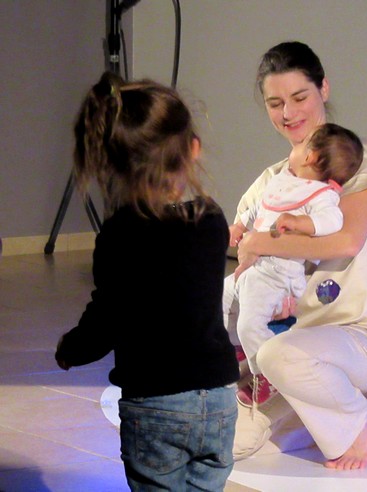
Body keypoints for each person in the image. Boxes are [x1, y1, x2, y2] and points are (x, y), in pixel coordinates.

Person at [54, 71, 239, 491]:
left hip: (156, 402)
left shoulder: (121, 232)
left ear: (114, 166)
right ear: (193, 149)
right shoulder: (211, 218)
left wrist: (72, 348)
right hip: (220, 399)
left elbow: (108, 315)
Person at [231, 41, 367, 471]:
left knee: (277, 356)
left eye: (299, 97)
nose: (288, 113)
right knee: (231, 447)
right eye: (275, 103)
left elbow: (345, 242)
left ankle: (358, 416)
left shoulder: (357, 160)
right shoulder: (271, 180)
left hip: (357, 335)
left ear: (323, 89)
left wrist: (262, 241)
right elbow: (243, 248)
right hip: (291, 336)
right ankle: (310, 405)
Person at [223, 123, 364, 408]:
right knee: (220, 302)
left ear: (310, 156)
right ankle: (238, 352)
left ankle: (267, 374)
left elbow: (332, 222)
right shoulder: (283, 179)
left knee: (251, 321)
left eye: (301, 146)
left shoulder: (320, 194)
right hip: (252, 269)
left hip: (278, 274)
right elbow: (261, 206)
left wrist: (300, 222)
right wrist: (240, 224)